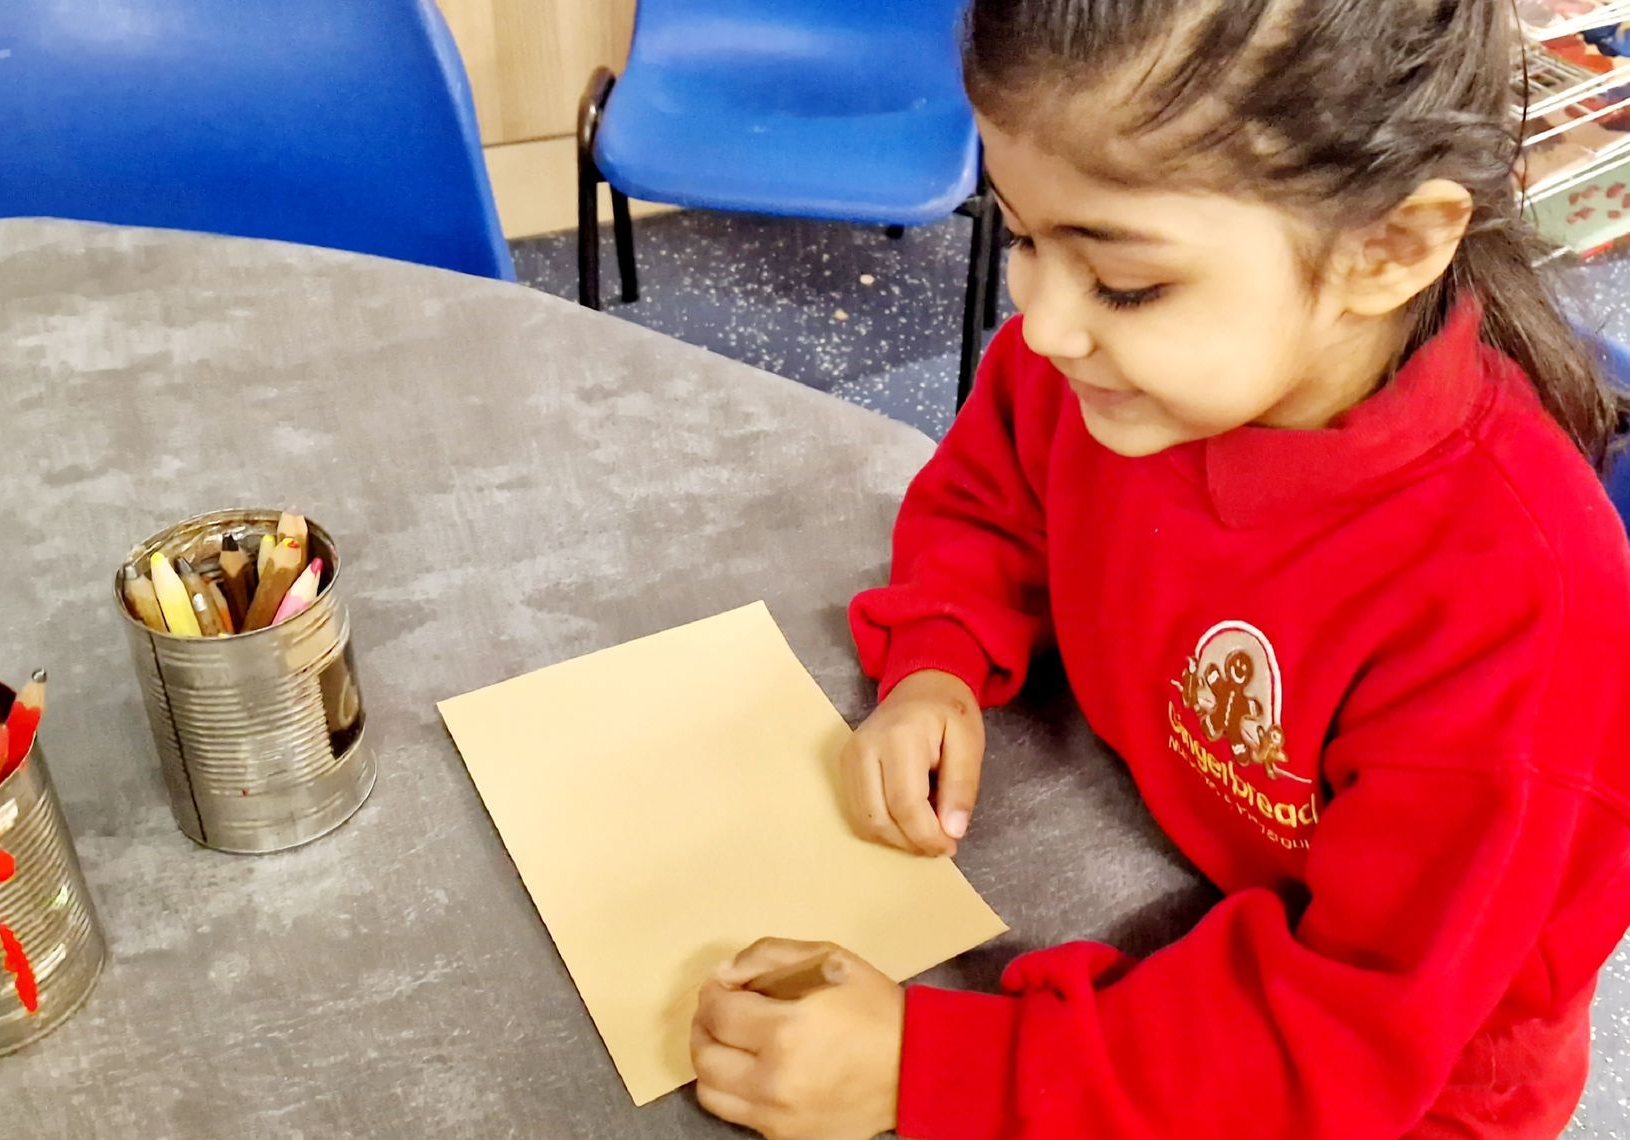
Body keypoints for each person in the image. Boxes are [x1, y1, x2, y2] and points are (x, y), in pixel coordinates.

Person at [689, 1, 1630, 1137]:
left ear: (1385, 249)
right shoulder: (1110, 376)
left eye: (1124, 283)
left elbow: (1339, 1042)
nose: (1038, 325)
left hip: (1404, 1088)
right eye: (1024, 238)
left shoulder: (1518, 605)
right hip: (1166, 886)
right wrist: (938, 657)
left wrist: (929, 1066)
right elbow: (991, 501)